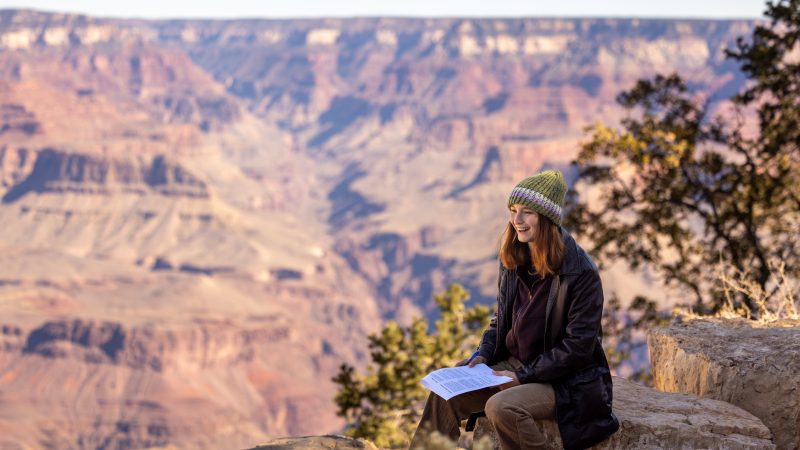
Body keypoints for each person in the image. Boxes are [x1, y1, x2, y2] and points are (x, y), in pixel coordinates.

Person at [410, 170, 619, 450]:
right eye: (513, 210)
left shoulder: (580, 272)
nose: (517, 220)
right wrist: (483, 353)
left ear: (547, 219)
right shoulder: (514, 257)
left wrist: (523, 376)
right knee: (444, 394)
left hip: (563, 380)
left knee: (501, 407)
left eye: (527, 213)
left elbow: (578, 348)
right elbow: (501, 319)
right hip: (513, 365)